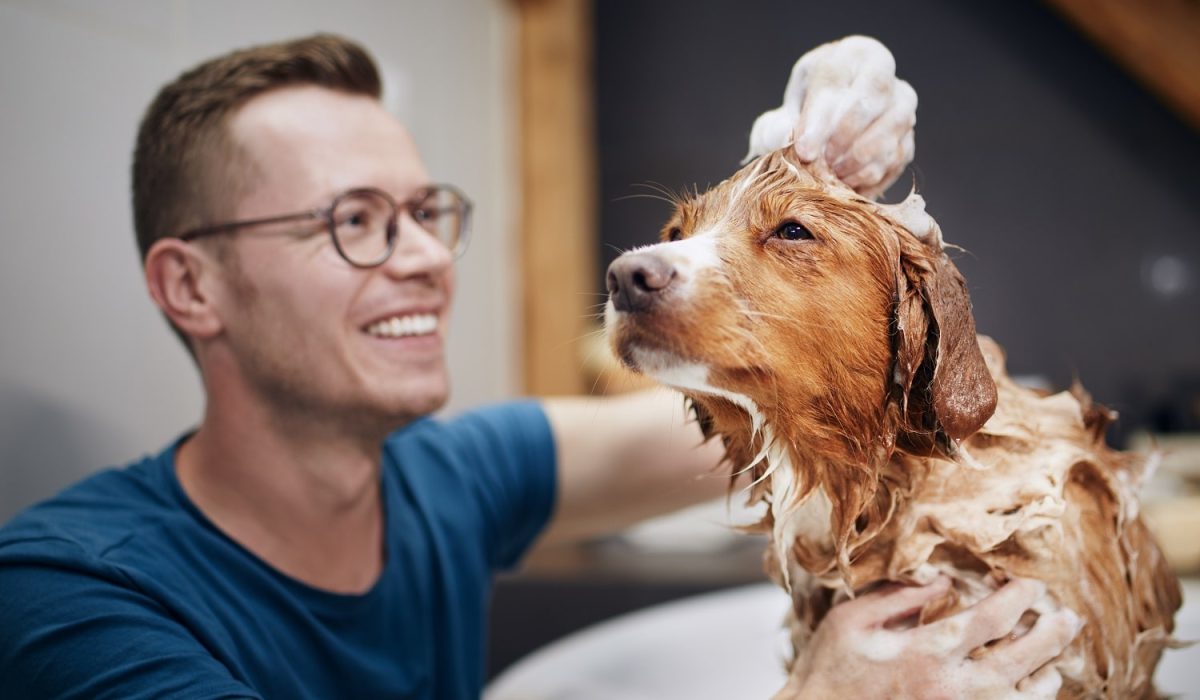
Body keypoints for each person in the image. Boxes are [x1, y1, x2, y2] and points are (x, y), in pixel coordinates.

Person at [0, 35, 1076, 699]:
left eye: (426, 212)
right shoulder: (68, 597)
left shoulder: (443, 480)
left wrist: (837, 246)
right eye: (355, 222)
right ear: (191, 286)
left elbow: (868, 412)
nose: (426, 259)